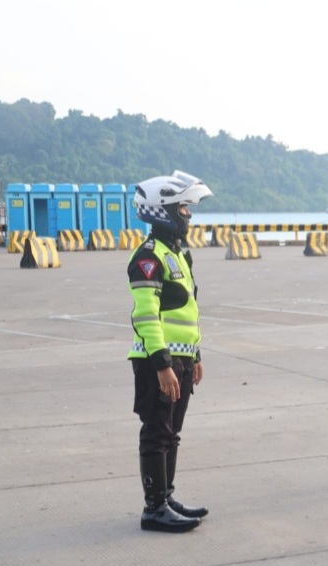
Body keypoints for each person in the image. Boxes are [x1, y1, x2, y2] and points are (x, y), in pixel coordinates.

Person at [127, 171, 213, 533]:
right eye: (183, 209)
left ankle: (167, 496)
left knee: (171, 432)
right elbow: (146, 316)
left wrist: (194, 356)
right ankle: (154, 508)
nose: (188, 216)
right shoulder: (147, 258)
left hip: (180, 359)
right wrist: (162, 364)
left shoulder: (176, 254)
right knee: (157, 431)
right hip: (156, 361)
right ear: (162, 211)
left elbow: (186, 310)